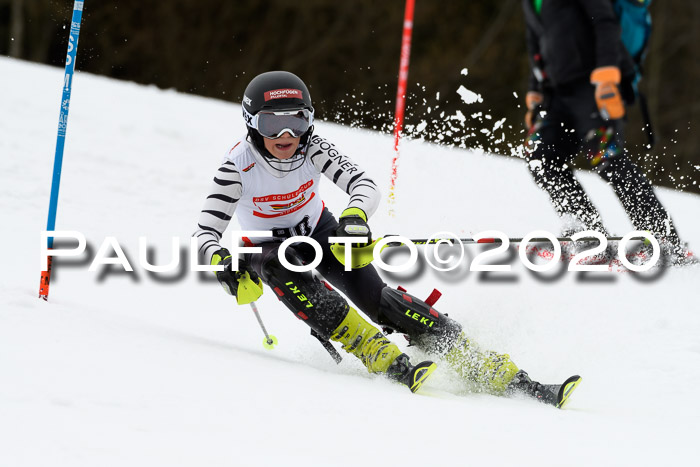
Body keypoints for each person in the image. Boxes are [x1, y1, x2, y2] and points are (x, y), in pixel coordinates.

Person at [194, 70, 579, 406]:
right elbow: (204, 232)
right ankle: (375, 352)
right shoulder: (237, 167)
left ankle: (487, 367)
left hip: (321, 231)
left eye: (297, 121)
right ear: (250, 124)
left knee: (380, 301)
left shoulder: (313, 148)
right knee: (280, 267)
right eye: (270, 124)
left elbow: (363, 184)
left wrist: (355, 216)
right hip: (269, 248)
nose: (285, 135)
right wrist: (219, 261)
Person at [521, 0, 688, 263]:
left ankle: (664, 240)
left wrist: (607, 74)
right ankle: (589, 236)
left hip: (595, 86)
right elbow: (536, 43)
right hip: (557, 94)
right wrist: (535, 92)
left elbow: (606, 22)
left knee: (606, 156)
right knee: (542, 157)